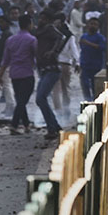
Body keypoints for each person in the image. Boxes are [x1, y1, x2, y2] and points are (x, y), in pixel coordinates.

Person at [0, 15, 37, 134]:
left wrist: (0, 76)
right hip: (27, 74)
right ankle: (14, 125)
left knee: (20, 100)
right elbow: (37, 57)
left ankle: (26, 125)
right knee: (22, 102)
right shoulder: (32, 40)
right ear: (29, 24)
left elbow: (5, 60)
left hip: (14, 74)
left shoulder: (10, 40)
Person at [34, 11, 66, 139]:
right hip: (44, 69)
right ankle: (54, 126)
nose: (40, 20)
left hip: (52, 69)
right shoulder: (39, 31)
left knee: (41, 98)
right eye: (40, 18)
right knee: (40, 99)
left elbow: (61, 38)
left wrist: (53, 51)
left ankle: (52, 128)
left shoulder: (49, 29)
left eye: (43, 18)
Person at [51, 13, 79, 116]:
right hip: (66, 64)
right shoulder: (70, 35)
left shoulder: (53, 34)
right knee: (66, 88)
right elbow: (74, 50)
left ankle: (58, 112)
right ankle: (66, 110)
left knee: (56, 89)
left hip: (55, 64)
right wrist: (77, 62)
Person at [79, 16, 106, 101]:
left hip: (96, 66)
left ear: (98, 27)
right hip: (85, 65)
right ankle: (87, 100)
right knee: (85, 85)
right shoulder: (84, 36)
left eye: (95, 24)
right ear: (87, 25)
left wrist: (89, 43)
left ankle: (95, 102)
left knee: (95, 87)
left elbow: (102, 48)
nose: (93, 26)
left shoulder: (100, 38)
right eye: (91, 24)